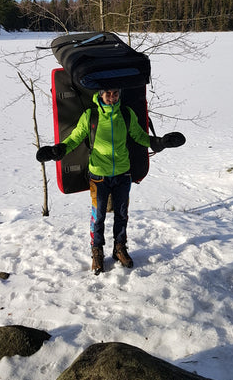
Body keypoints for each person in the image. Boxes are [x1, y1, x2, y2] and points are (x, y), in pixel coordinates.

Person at [36, 87, 185, 275]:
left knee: (122, 215)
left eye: (115, 93)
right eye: (108, 93)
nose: (112, 97)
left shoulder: (126, 113)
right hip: (98, 176)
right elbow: (76, 137)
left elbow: (139, 136)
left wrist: (160, 142)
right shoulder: (91, 115)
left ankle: (119, 248)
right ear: (100, 94)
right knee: (98, 216)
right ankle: (97, 251)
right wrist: (58, 150)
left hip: (123, 174)